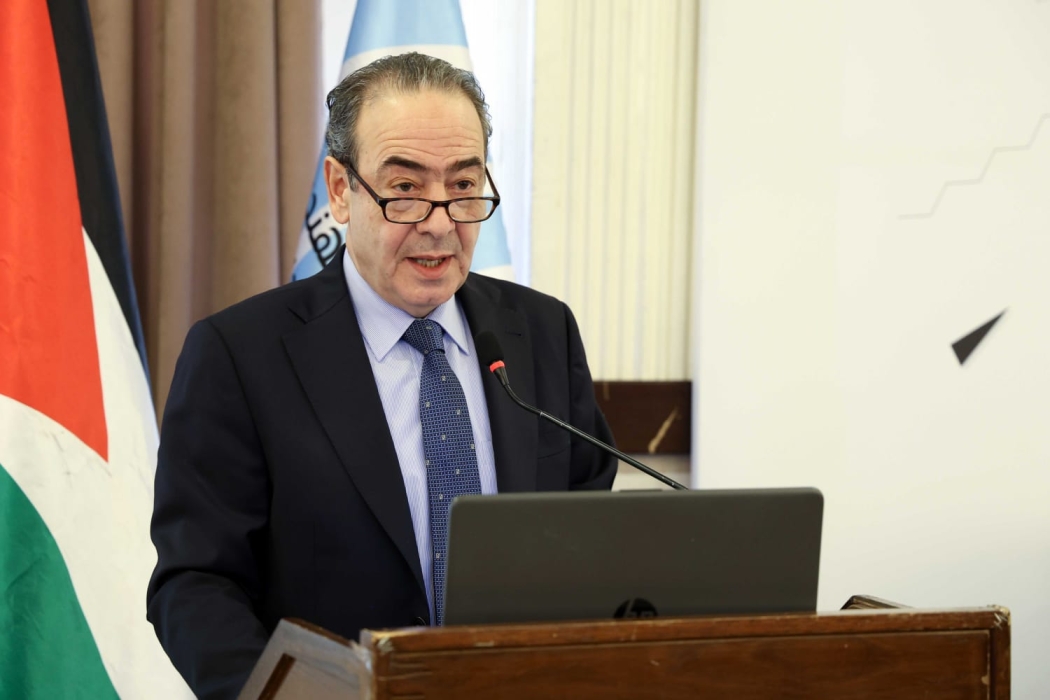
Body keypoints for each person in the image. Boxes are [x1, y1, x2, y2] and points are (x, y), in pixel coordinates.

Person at [146, 52, 616, 700]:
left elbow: (589, 540)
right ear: (341, 190)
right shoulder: (240, 355)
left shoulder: (542, 333)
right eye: (405, 189)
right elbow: (197, 582)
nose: (440, 223)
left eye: (463, 186)